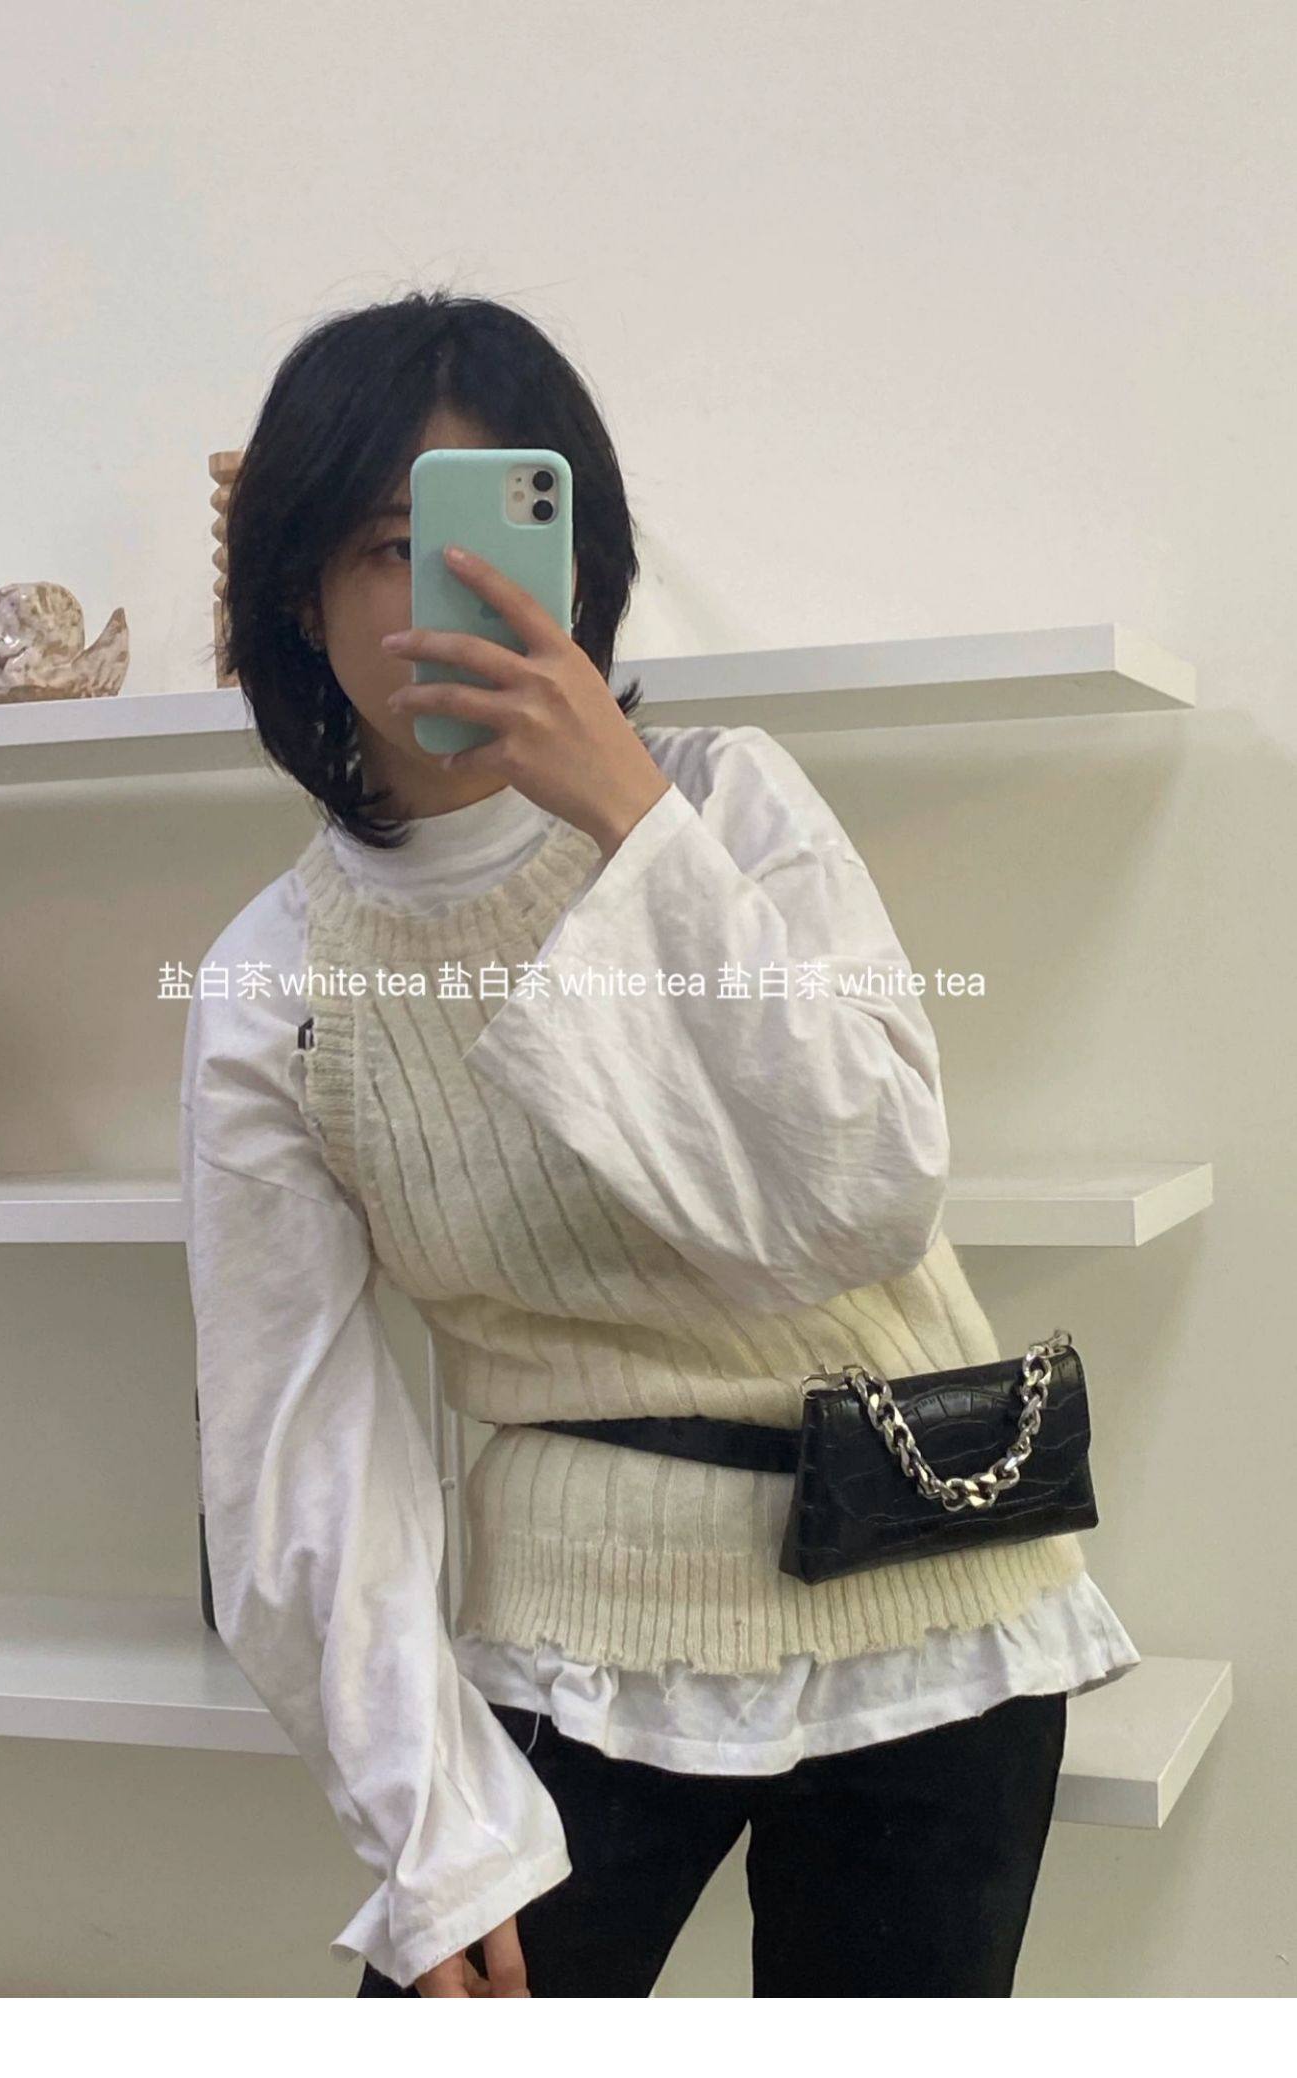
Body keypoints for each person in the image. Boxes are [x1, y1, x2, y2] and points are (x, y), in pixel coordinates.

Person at [179, 288, 1140, 1998]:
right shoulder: (277, 977)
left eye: (498, 530)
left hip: (930, 1602)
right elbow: (294, 1440)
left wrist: (630, 814)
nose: (450, 592)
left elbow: (864, 1189)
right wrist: (428, 1828)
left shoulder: (729, 803)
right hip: (575, 1638)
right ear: (298, 597)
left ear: (581, 560)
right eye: (389, 544)